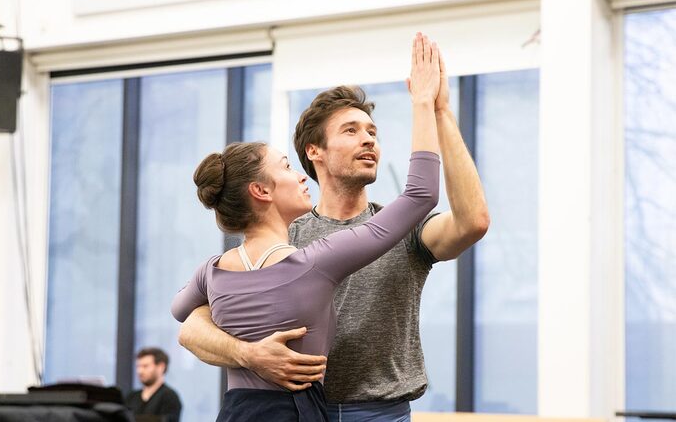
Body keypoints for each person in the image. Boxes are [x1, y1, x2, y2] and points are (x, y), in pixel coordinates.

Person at [177, 33, 489, 421]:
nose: (369, 140)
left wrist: (440, 111)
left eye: (372, 131)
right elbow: (191, 326)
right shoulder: (280, 238)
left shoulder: (405, 230)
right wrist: (248, 354)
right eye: (351, 130)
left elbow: (473, 221)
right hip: (302, 411)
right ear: (314, 151)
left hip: (381, 413)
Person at [125, 347, 182, 422]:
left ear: (161, 367)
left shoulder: (170, 397)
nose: (140, 371)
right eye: (138, 366)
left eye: (145, 366)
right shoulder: (132, 396)